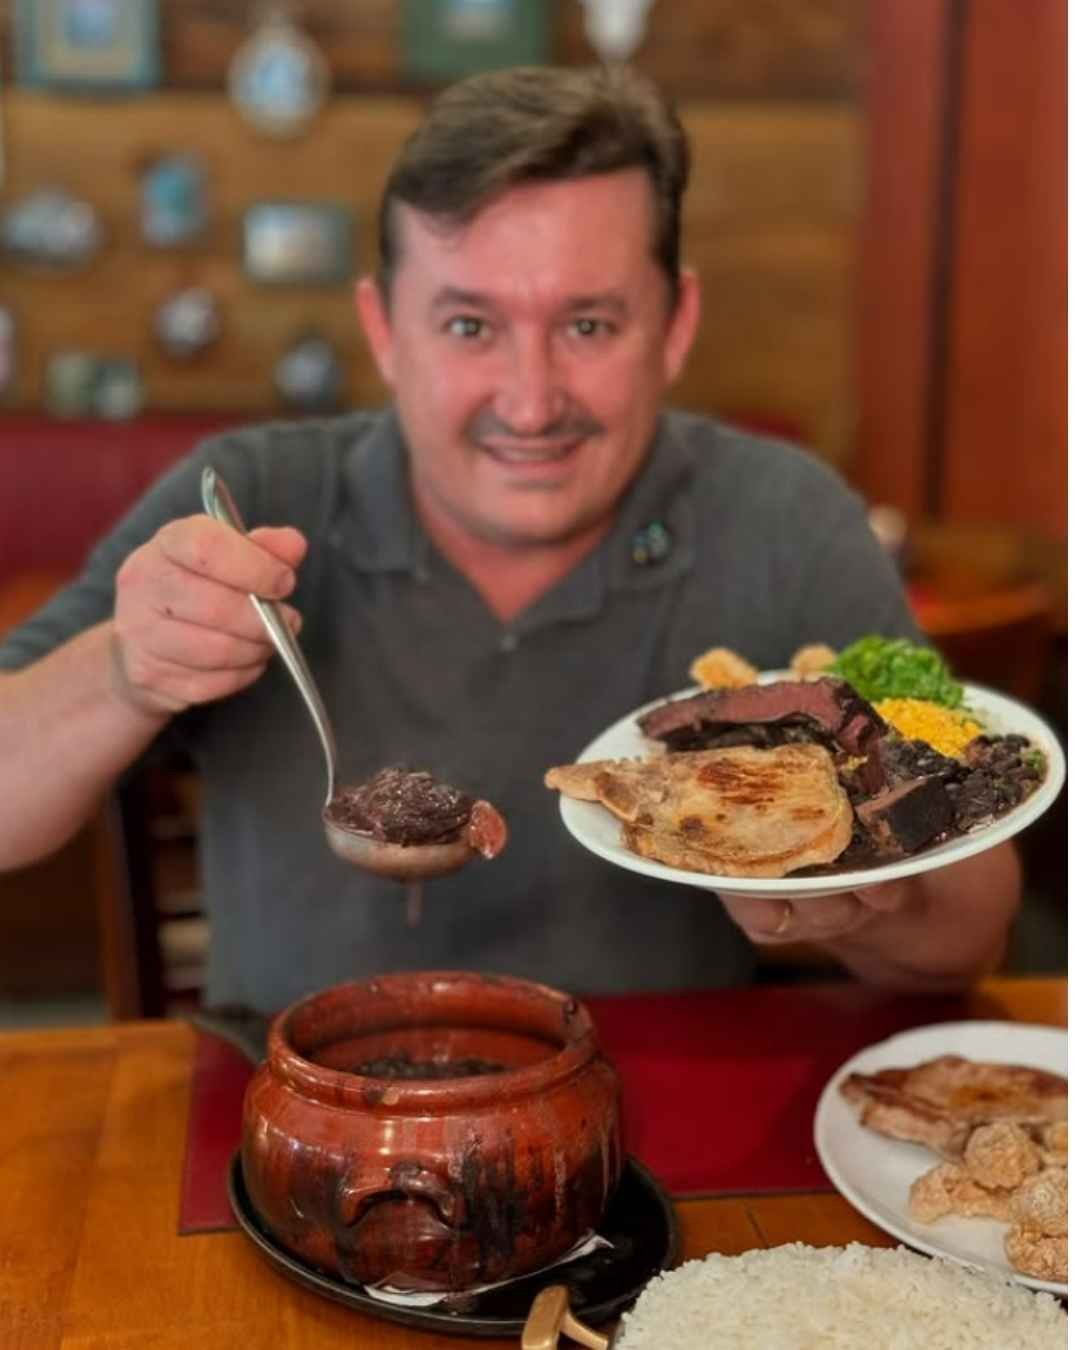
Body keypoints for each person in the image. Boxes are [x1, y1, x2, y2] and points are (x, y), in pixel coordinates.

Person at [0, 65, 1019, 1015]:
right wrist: (128, 674)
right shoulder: (258, 494)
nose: (531, 405)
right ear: (386, 331)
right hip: (292, 1112)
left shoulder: (782, 517)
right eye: (470, 327)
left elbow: (973, 926)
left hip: (648, 1128)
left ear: (673, 325)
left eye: (588, 326)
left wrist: (873, 903)